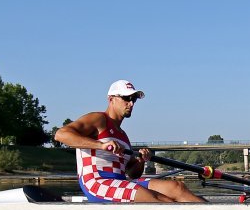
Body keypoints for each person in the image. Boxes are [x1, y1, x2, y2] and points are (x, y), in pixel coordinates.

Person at [54, 80, 204, 203]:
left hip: (121, 182)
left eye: (133, 99)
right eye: (126, 98)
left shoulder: (123, 136)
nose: (131, 103)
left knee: (176, 187)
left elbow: (132, 174)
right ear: (111, 99)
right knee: (158, 200)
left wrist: (141, 160)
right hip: (97, 183)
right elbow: (61, 135)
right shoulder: (98, 119)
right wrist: (101, 145)